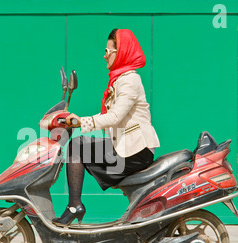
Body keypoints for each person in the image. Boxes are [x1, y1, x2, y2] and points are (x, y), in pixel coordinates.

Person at [52, 29, 160, 227]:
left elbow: (115, 116)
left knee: (77, 146)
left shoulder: (129, 80)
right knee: (78, 145)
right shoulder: (120, 79)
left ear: (122, 52)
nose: (104, 55)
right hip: (127, 148)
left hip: (135, 152)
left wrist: (81, 122)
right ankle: (74, 205)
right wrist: (76, 121)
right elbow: (111, 116)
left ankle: (74, 206)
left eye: (108, 50)